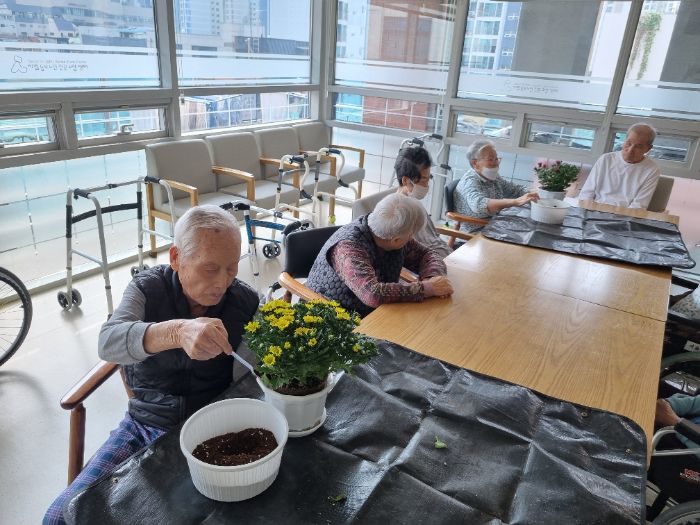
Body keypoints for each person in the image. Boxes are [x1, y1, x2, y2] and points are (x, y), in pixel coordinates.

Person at [44, 205, 259, 525]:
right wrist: (176, 332)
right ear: (176, 258)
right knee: (60, 517)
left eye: (232, 268)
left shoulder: (247, 302)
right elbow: (109, 341)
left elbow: (257, 375)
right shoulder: (148, 288)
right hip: (145, 426)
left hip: (215, 427)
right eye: (210, 268)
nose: (223, 282)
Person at [306, 193, 453, 318]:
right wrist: (426, 288)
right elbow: (372, 294)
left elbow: (427, 254)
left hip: (374, 311)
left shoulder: (388, 231)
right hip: (331, 316)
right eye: (411, 235)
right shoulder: (348, 248)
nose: (411, 239)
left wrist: (432, 278)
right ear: (396, 240)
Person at [454, 139, 539, 232]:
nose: (496, 163)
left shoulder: (493, 178)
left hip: (493, 224)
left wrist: (535, 193)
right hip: (476, 231)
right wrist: (515, 202)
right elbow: (479, 204)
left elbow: (514, 190)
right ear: (475, 163)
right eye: (490, 159)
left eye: (496, 159)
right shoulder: (470, 181)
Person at [578, 123, 660, 209]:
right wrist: (586, 210)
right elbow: (586, 193)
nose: (630, 150)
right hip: (594, 209)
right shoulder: (606, 159)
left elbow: (638, 206)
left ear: (648, 148)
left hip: (624, 214)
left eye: (638, 147)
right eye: (628, 143)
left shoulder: (652, 170)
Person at [395, 145, 451, 259]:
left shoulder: (413, 202)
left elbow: (433, 238)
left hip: (446, 256)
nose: (427, 185)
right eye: (424, 179)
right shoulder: (399, 212)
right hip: (434, 264)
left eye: (428, 179)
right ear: (406, 180)